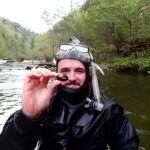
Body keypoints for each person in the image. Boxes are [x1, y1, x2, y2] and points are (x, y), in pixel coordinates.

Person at [0, 37, 139, 150]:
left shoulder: (109, 110)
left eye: (79, 71)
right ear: (56, 72)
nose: (72, 77)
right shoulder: (42, 104)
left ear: (88, 73)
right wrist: (27, 116)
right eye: (65, 71)